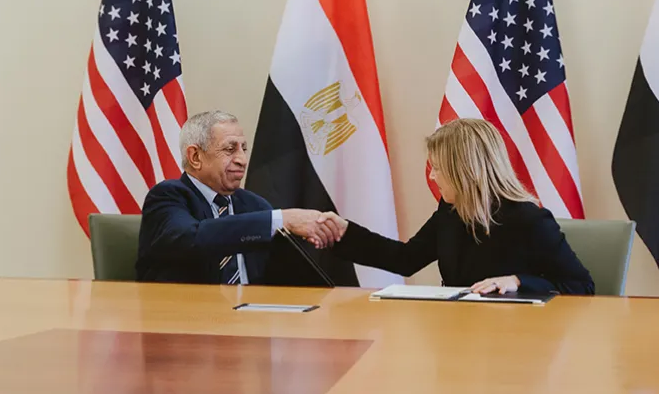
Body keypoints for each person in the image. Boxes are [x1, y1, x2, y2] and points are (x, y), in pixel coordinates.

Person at [327, 118, 595, 295]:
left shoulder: (529, 220)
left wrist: (518, 280)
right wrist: (344, 233)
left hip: (515, 341)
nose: (432, 177)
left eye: (439, 169)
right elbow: (405, 259)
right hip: (457, 332)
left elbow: (582, 286)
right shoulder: (450, 211)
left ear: (464, 172)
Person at [136, 111, 345, 284]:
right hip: (187, 322)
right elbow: (192, 238)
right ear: (195, 157)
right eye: (230, 149)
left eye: (244, 149)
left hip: (253, 318)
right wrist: (282, 220)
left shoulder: (254, 205)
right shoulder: (167, 197)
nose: (242, 160)